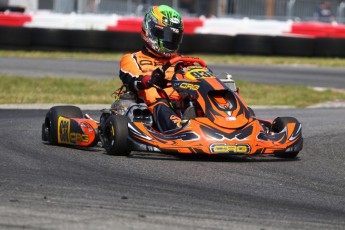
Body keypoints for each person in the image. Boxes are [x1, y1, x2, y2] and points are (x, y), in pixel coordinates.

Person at [119, 5, 184, 132]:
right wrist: (149, 80)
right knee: (153, 94)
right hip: (152, 107)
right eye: (165, 35)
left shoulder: (182, 61)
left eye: (173, 37)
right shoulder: (132, 58)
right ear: (150, 30)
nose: (169, 41)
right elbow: (133, 78)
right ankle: (179, 129)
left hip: (183, 103)